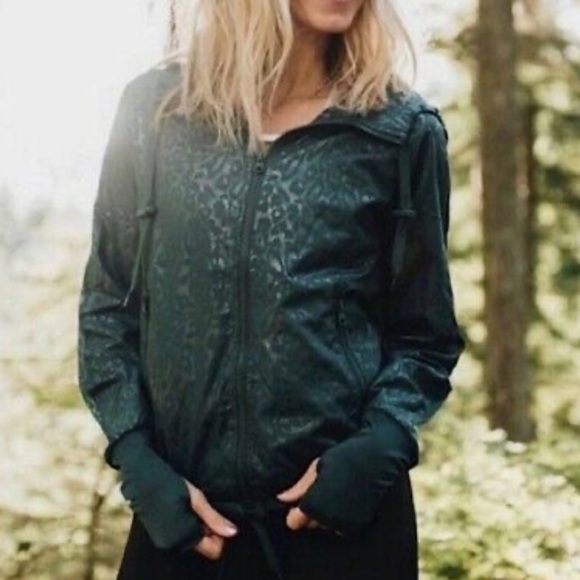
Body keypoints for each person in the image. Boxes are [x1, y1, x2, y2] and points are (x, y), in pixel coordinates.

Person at [77, 0, 465, 578]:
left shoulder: (398, 130)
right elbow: (108, 306)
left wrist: (379, 447)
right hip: (183, 524)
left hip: (342, 523)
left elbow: (425, 334)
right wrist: (138, 463)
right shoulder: (156, 112)